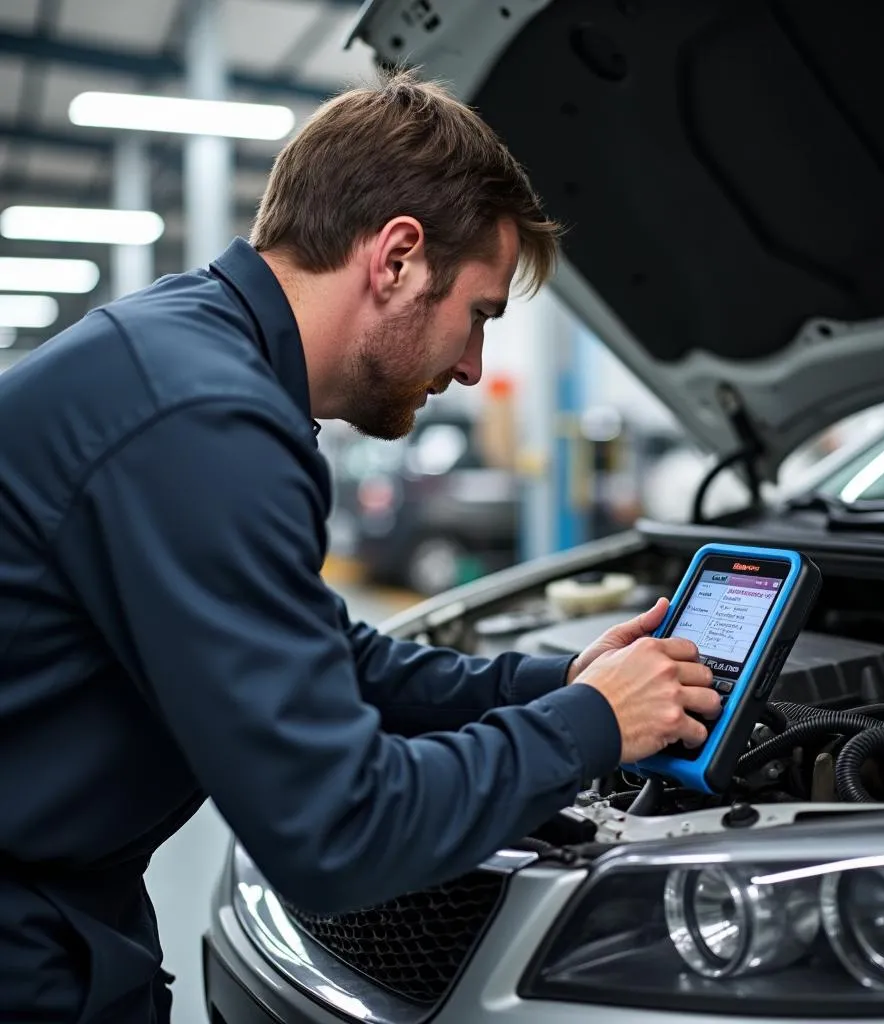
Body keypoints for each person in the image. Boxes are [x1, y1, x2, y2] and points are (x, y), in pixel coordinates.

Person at [0, 70, 720, 1022]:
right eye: (479, 315)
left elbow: (339, 661)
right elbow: (335, 831)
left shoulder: (194, 355)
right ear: (397, 259)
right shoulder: (204, 422)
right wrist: (589, 727)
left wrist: (560, 682)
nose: (471, 367)